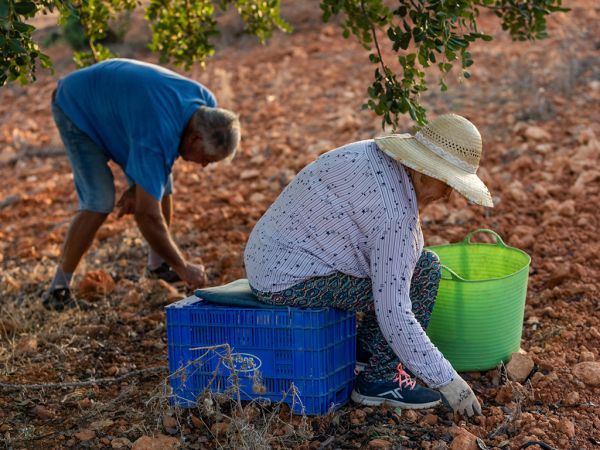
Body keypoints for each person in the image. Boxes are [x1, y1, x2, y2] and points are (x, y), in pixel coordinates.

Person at [244, 114, 492, 416]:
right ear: (424, 172)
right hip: (286, 280)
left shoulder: (370, 153)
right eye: (447, 183)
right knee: (424, 273)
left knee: (412, 265)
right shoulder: (396, 216)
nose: (448, 195)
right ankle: (379, 381)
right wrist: (449, 382)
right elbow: (394, 311)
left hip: (267, 255)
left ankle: (367, 355)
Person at [44, 59, 241, 311]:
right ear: (195, 137)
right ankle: (58, 289)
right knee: (99, 200)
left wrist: (139, 187)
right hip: (77, 105)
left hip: (121, 110)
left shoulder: (206, 105)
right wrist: (184, 267)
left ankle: (157, 266)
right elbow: (146, 215)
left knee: (162, 186)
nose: (203, 165)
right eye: (207, 158)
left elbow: (157, 154)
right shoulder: (158, 134)